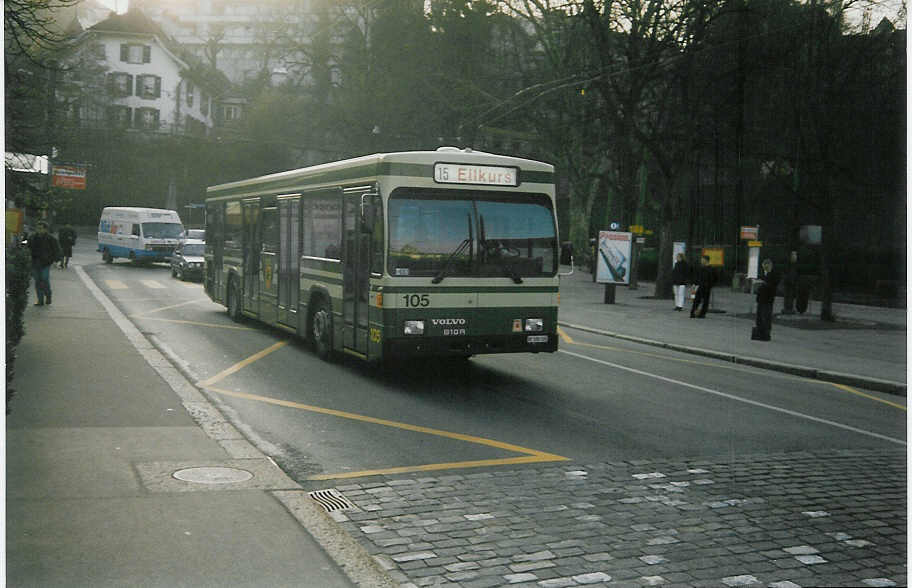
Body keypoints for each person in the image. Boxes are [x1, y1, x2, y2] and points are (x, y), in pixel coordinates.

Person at [28, 221, 61, 306]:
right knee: (37, 281)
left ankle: (48, 295)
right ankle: (40, 300)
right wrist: (22, 239)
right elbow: (25, 243)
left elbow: (57, 250)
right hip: (34, 262)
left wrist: (56, 260)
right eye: (37, 228)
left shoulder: (51, 238)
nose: (39, 230)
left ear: (46, 229)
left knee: (44, 279)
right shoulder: (32, 237)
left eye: (41, 228)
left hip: (45, 263)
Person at [752, 258, 781, 341]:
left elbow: (773, 285)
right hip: (760, 298)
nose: (765, 267)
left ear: (770, 265)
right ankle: (759, 333)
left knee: (766, 316)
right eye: (764, 266)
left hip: (768, 299)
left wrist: (764, 283)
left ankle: (766, 334)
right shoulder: (762, 273)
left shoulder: (774, 274)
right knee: (759, 317)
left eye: (767, 266)